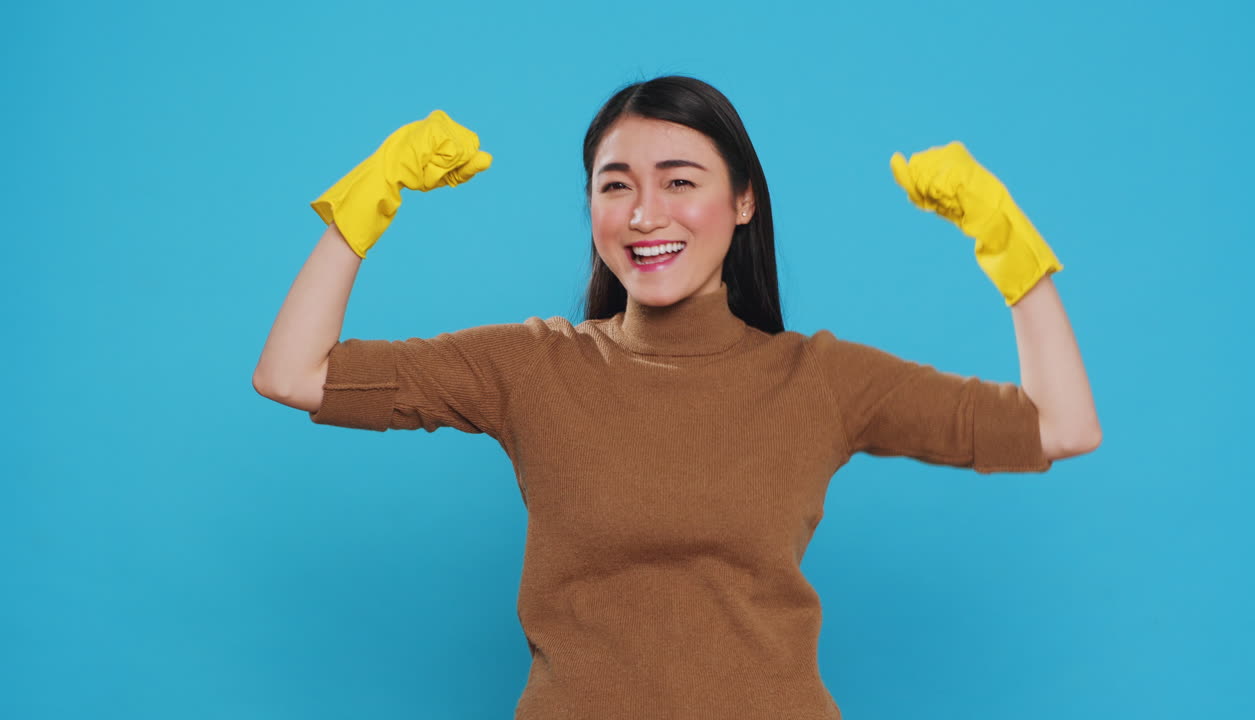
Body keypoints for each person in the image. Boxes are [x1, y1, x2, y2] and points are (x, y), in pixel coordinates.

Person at [252, 76, 1101, 719]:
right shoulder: (532, 367)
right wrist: (364, 205)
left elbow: (1060, 426)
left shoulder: (821, 380)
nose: (644, 213)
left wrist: (1011, 251)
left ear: (742, 203)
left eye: (680, 181)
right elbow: (294, 373)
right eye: (615, 184)